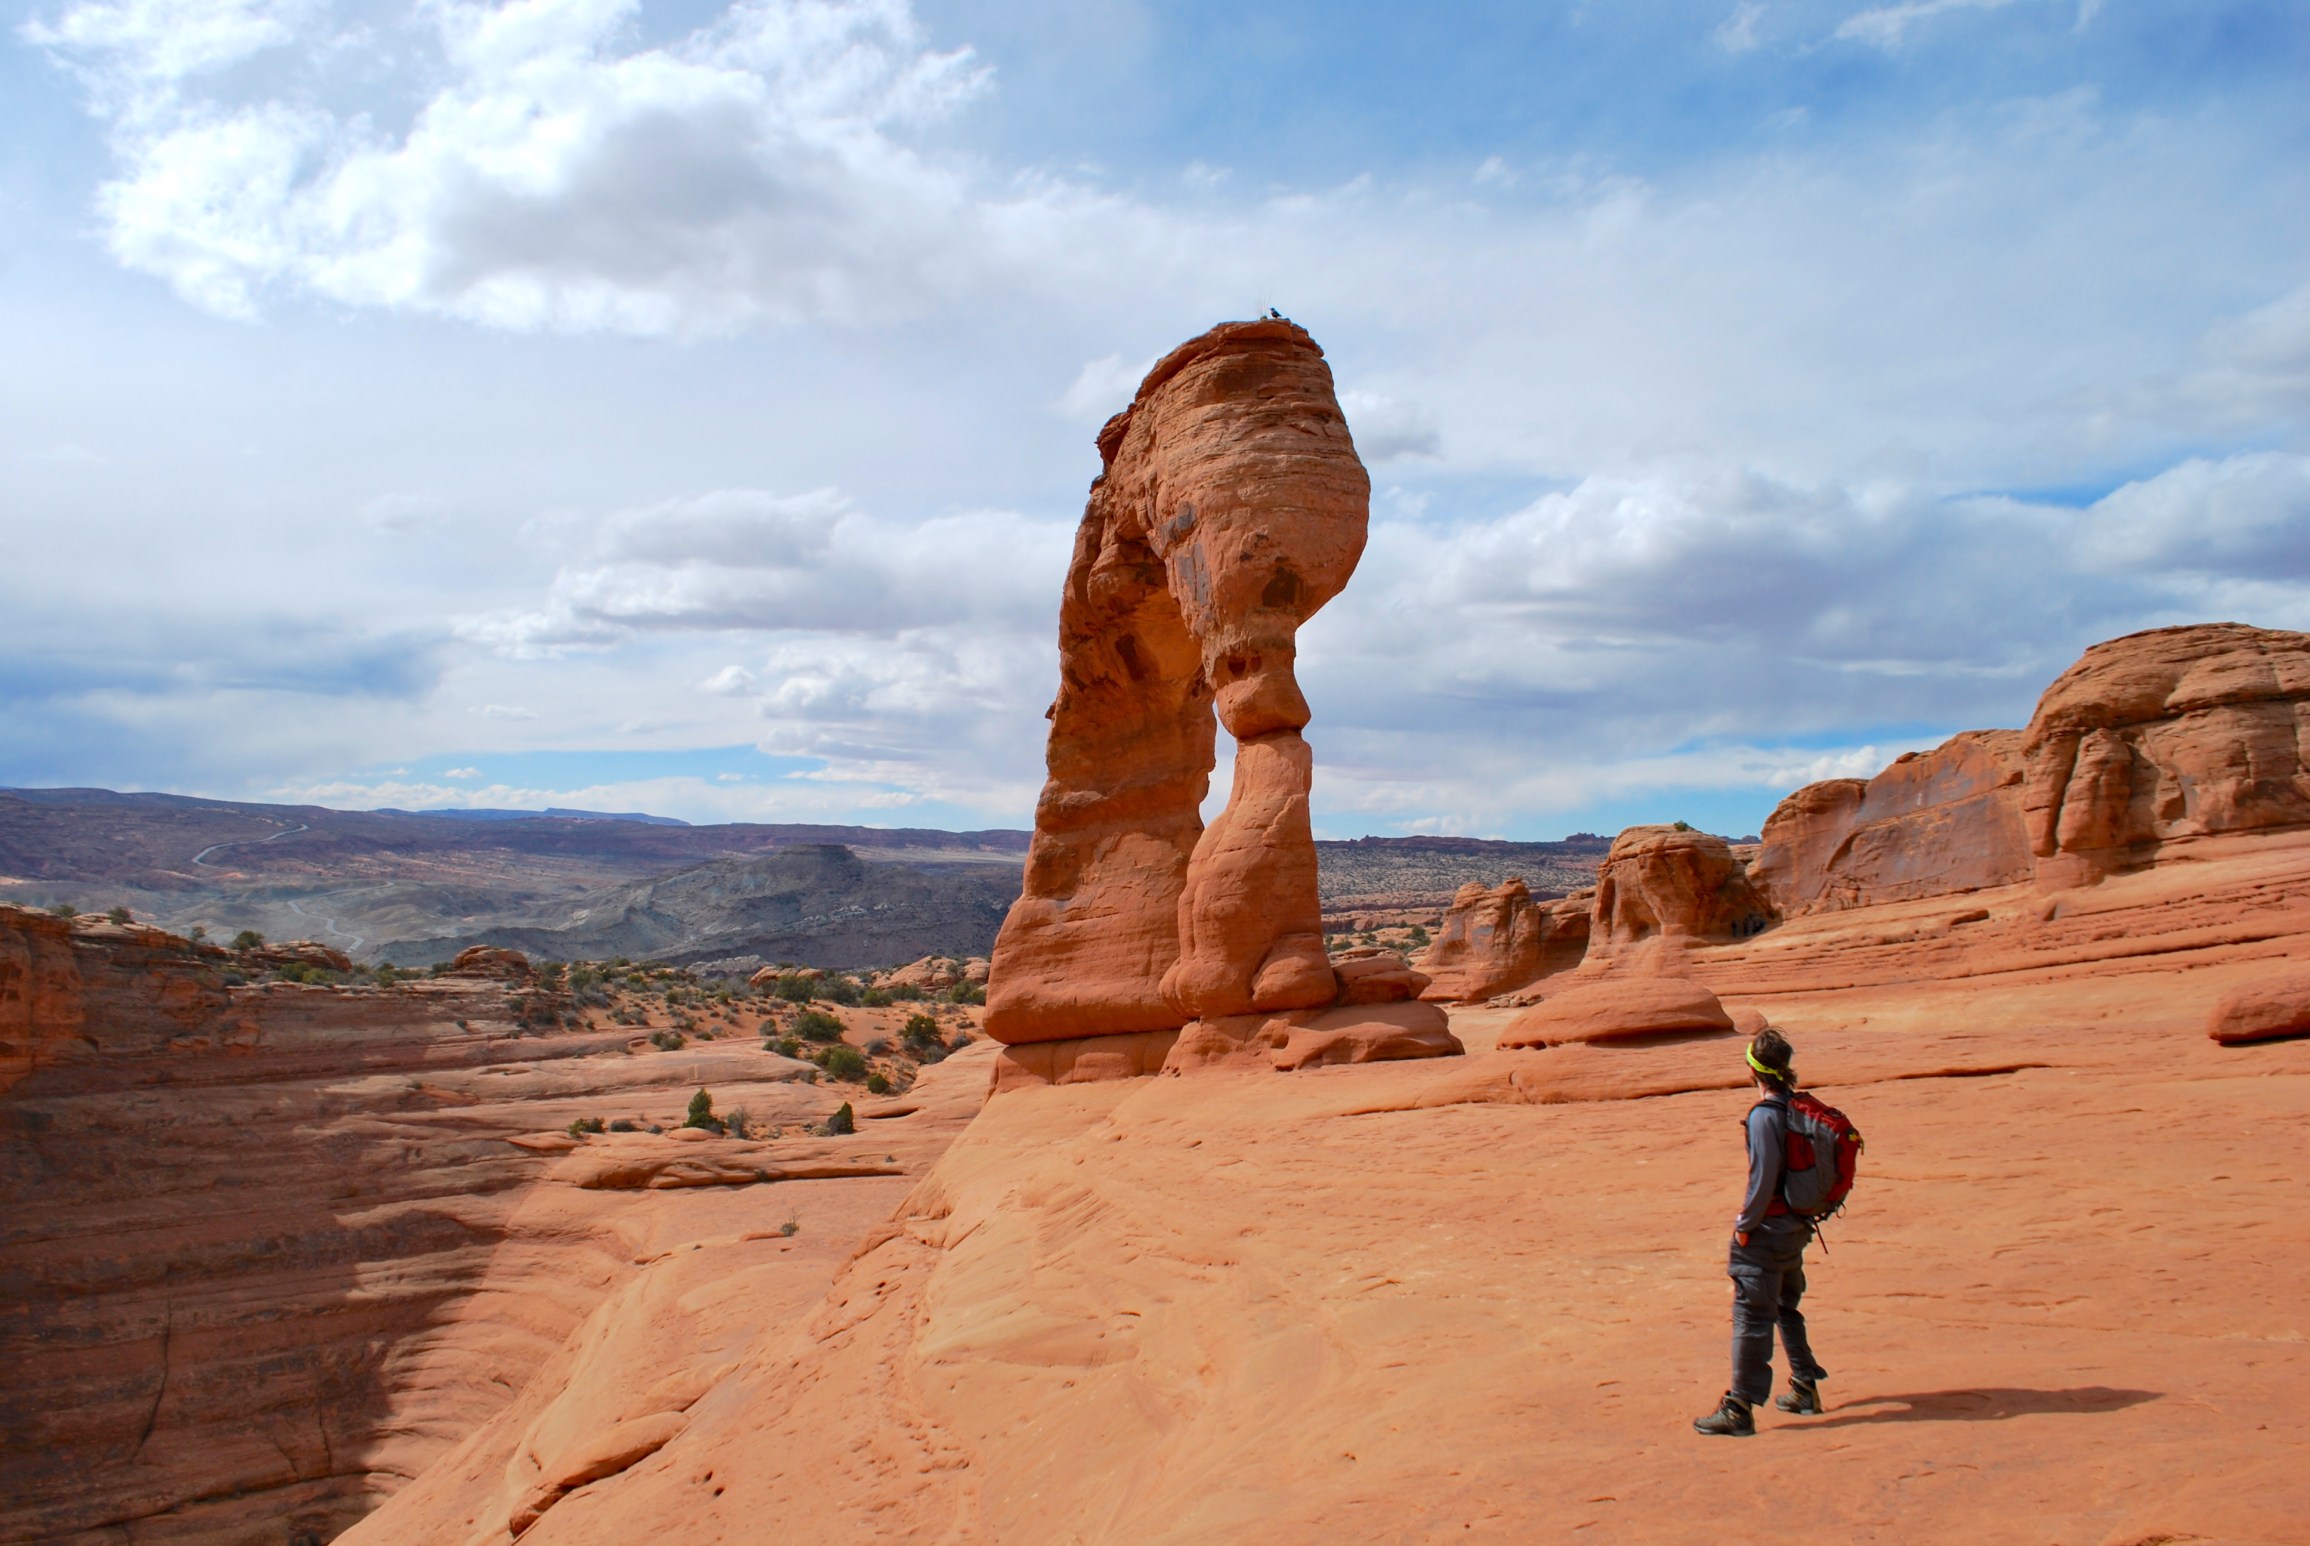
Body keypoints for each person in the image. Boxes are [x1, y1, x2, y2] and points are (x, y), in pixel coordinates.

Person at [1693, 1027, 1829, 1436]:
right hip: (1797, 1225)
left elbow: (1763, 1177)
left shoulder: (1764, 1116)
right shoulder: (1798, 1108)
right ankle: (1804, 1388)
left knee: (1751, 1314)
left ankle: (1739, 1407)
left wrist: (1744, 1227)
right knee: (1786, 1306)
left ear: (1753, 1070)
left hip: (1767, 1229)